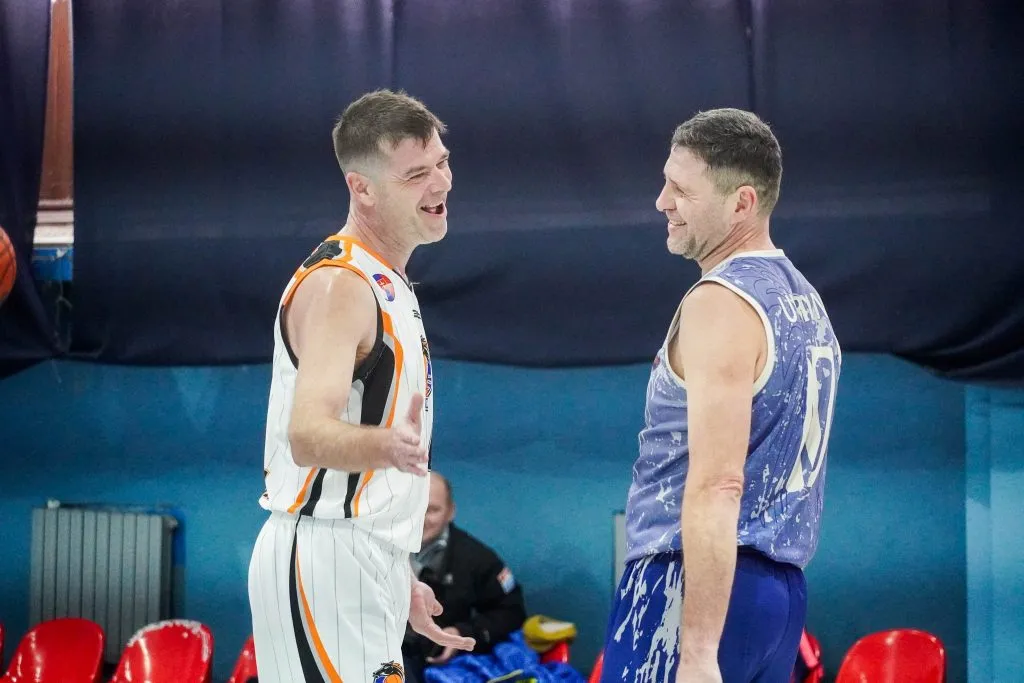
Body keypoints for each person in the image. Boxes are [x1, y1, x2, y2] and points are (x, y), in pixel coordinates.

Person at [601, 109, 841, 683]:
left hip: (690, 588)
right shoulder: (807, 302)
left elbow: (718, 484)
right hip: (780, 595)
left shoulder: (721, 301)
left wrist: (698, 652)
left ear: (741, 203)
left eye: (681, 190)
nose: (662, 202)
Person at [248, 89, 474, 683]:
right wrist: (386, 446)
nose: (441, 183)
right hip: (323, 558)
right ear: (362, 188)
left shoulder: (387, 280)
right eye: (416, 174)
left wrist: (397, 572)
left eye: (442, 162)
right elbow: (307, 435)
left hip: (363, 556)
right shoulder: (340, 284)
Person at [402, 473, 527, 683]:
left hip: (435, 662)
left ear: (451, 511)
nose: (420, 518)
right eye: (412, 507)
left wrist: (462, 633)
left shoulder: (476, 558)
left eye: (431, 510)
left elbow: (512, 612)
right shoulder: (370, 546)